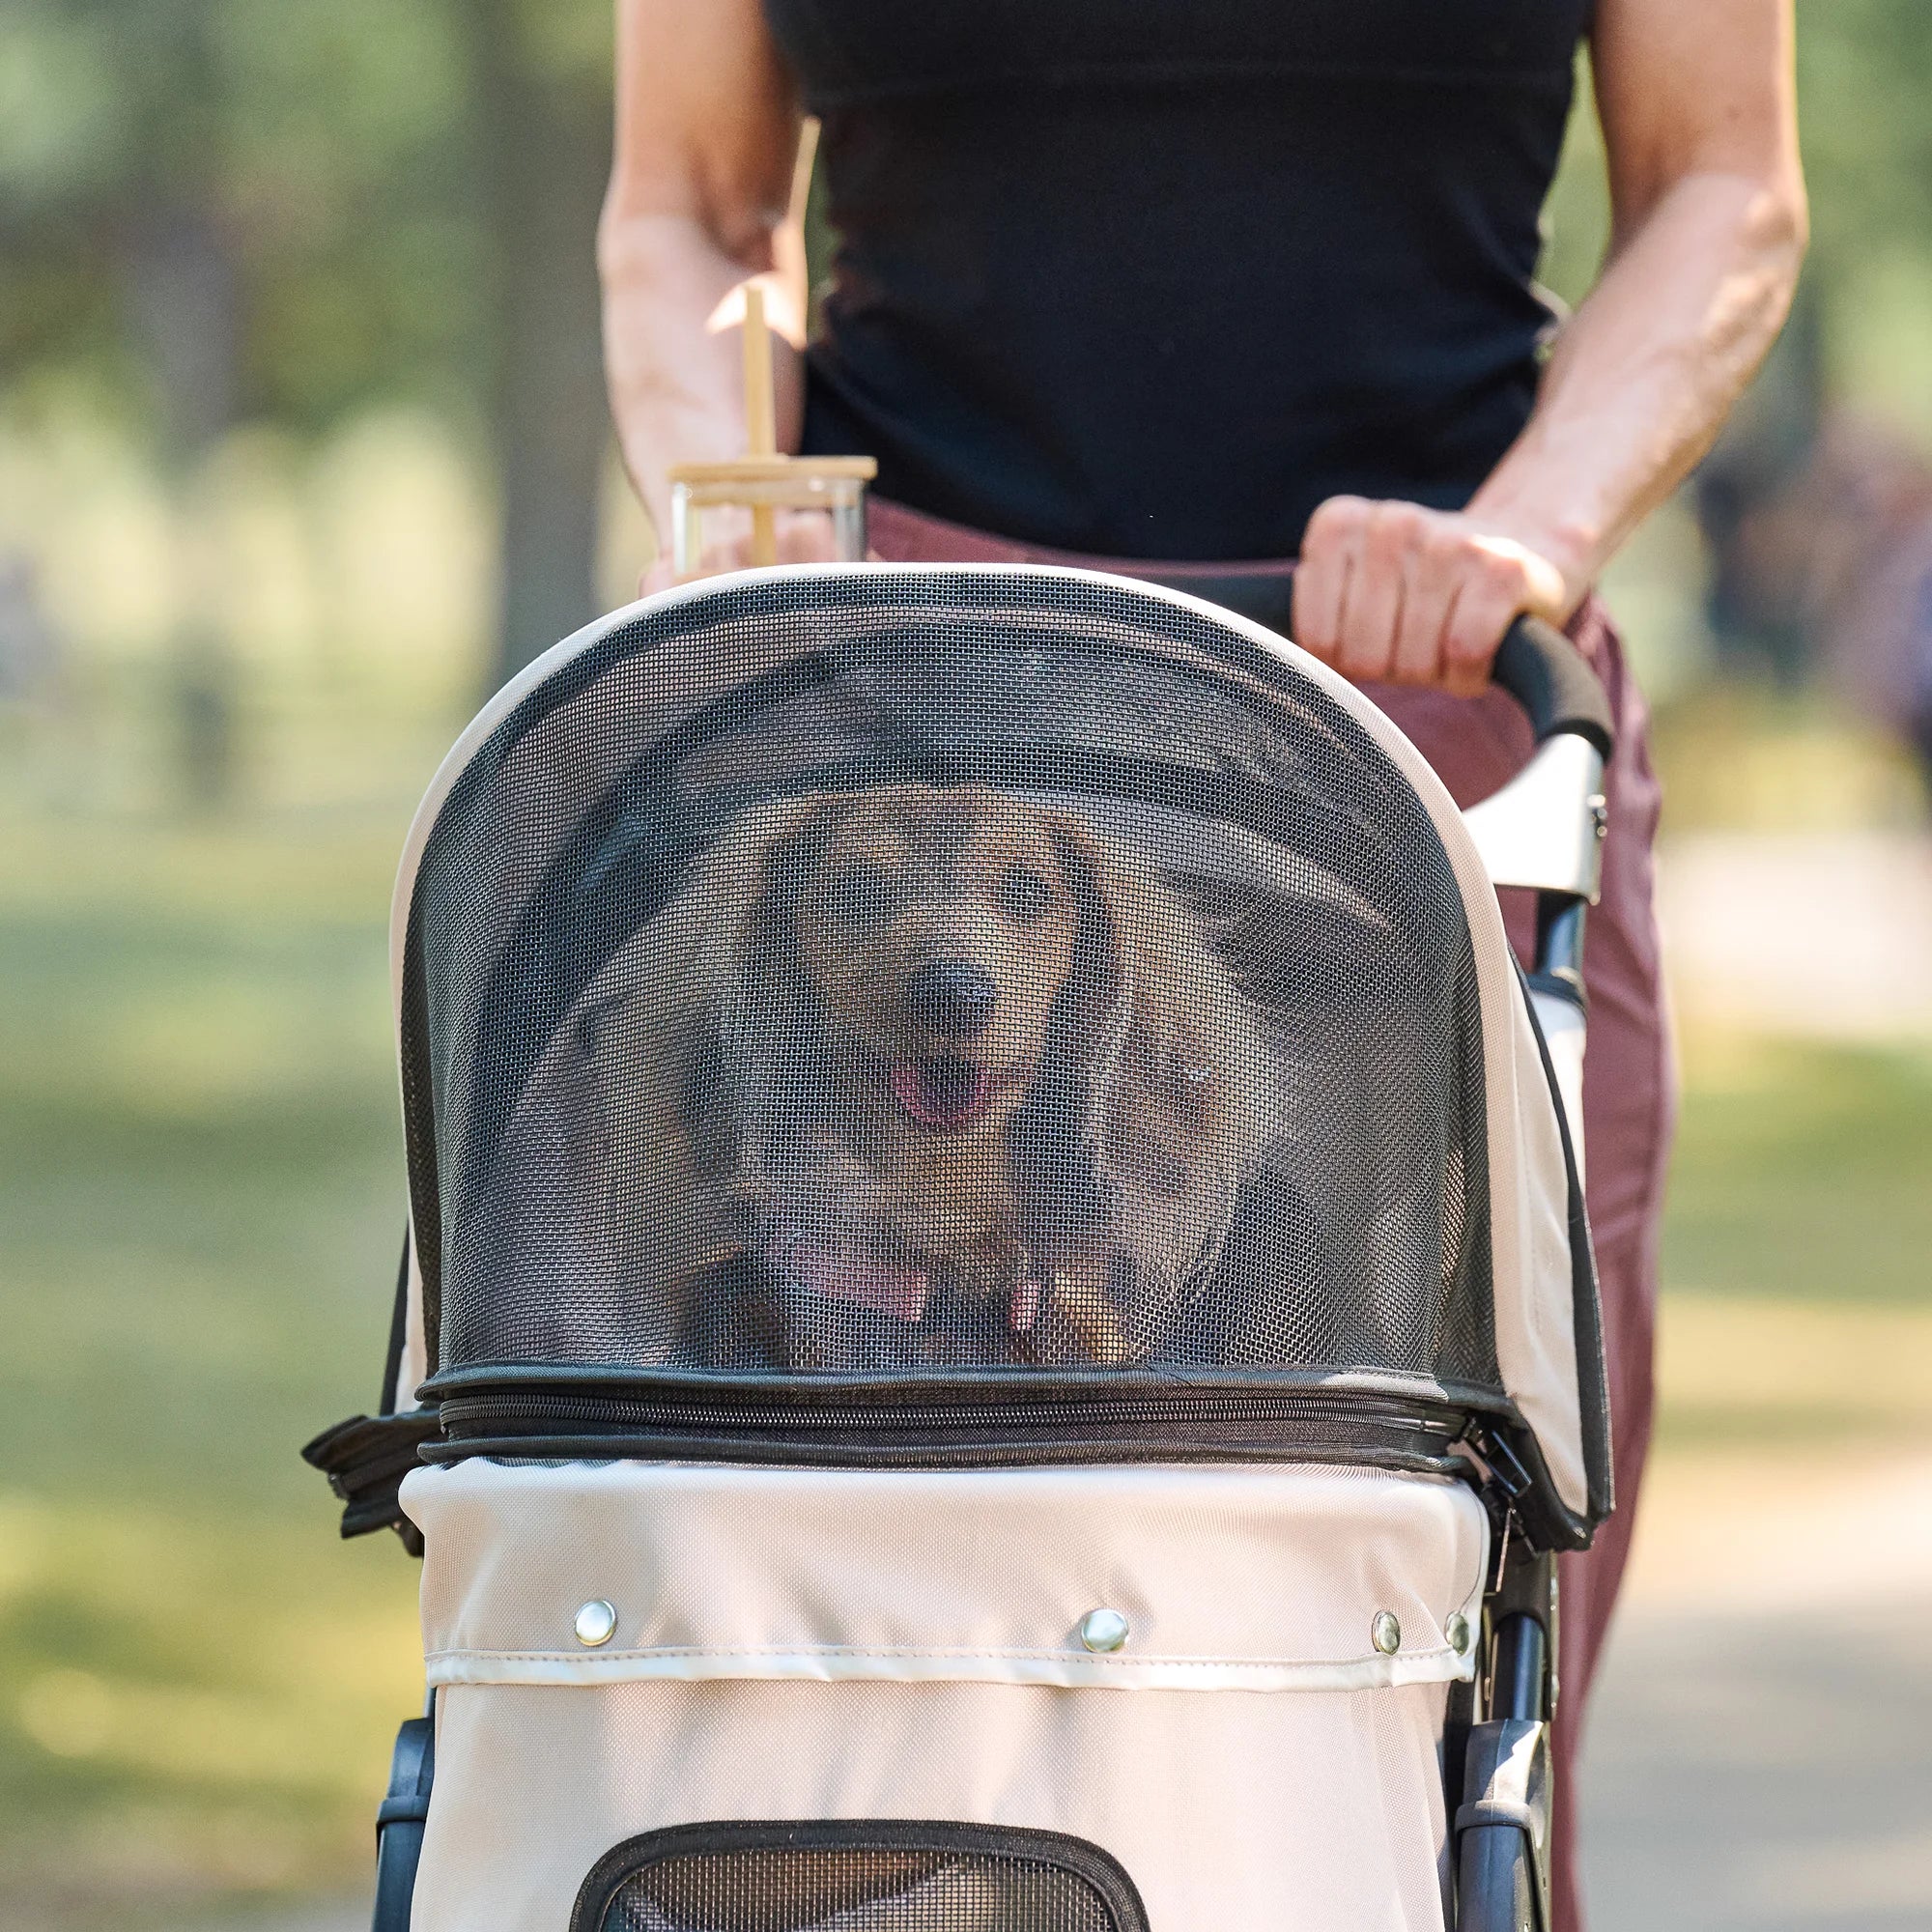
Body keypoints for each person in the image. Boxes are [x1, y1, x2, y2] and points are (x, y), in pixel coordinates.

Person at [597, 4, 1807, 1924]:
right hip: (917, 722)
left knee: (1446, 1637)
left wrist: (1522, 540)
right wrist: (723, 519)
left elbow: (1725, 184)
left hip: (1424, 705)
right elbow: (689, 202)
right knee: (859, 1687)